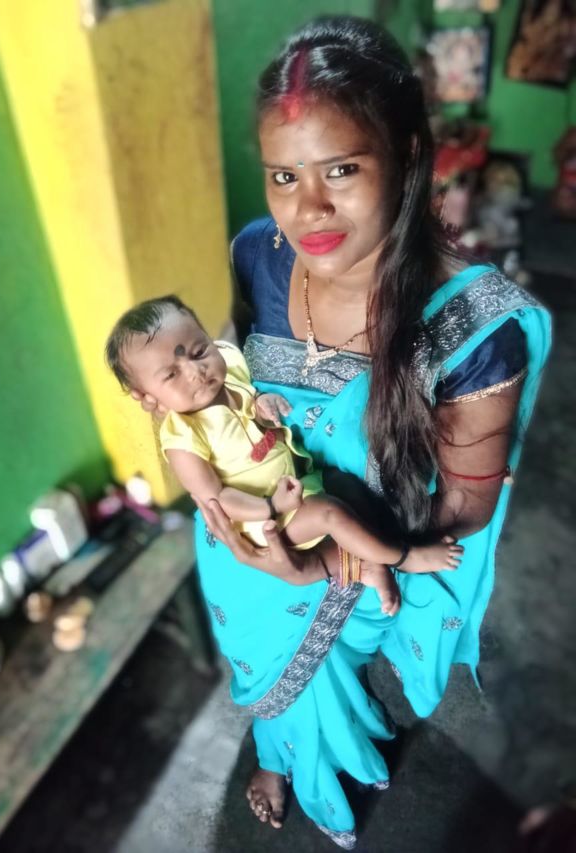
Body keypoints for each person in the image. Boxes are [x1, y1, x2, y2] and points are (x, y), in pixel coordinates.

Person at [130, 16, 551, 850]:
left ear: (407, 154)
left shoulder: (473, 327)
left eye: (343, 170)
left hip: (358, 560)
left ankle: (315, 780)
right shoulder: (258, 254)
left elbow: (462, 512)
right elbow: (233, 386)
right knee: (265, 670)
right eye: (284, 175)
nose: (308, 208)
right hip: (248, 545)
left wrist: (324, 558)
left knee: (320, 679)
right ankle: (280, 753)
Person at [106, 296, 464, 615]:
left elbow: (249, 400)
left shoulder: (229, 369)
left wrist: (262, 405)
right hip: (264, 523)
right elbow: (218, 499)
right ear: (148, 398)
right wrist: (270, 507)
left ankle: (368, 564)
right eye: (171, 374)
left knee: (348, 487)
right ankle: (404, 557)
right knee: (329, 512)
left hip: (296, 483)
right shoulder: (184, 438)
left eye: (199, 352)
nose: (195, 372)